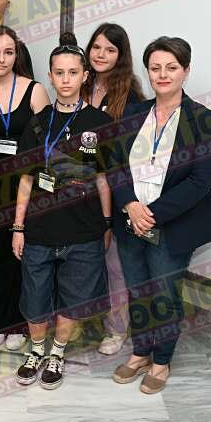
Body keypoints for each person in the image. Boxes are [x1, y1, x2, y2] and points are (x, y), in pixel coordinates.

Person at [111, 36, 211, 394]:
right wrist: (130, 205)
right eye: (155, 67)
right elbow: (115, 166)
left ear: (185, 71)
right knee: (137, 291)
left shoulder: (203, 119)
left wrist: (152, 214)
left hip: (170, 226)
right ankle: (140, 352)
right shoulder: (133, 113)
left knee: (164, 294)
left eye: (171, 67)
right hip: (130, 221)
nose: (162, 74)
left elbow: (202, 179)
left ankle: (161, 360)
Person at [11, 33, 112, 390]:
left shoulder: (100, 123)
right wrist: (18, 227)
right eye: (59, 72)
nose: (66, 79)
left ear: (85, 75)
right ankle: (36, 350)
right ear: (50, 77)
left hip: (83, 229)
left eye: (72, 72)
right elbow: (26, 179)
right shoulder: (37, 123)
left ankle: (57, 352)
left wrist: (106, 223)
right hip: (40, 229)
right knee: (35, 296)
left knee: (73, 296)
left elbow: (103, 178)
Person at [0, 26, 49, 351]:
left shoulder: (34, 91)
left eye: (8, 52)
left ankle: (18, 321)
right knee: (1, 256)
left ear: (17, 55)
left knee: (23, 256)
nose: (1, 58)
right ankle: (2, 317)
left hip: (26, 187)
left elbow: (48, 146)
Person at [82, 23, 145, 356]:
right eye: (96, 47)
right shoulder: (79, 82)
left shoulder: (130, 95)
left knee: (115, 263)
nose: (101, 54)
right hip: (78, 187)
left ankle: (116, 329)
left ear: (120, 56)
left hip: (113, 186)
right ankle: (83, 318)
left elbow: (129, 151)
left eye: (110, 49)